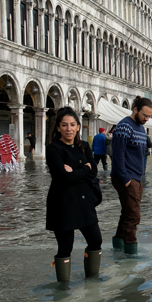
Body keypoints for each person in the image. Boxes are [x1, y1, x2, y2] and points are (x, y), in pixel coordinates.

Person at [45, 107, 102, 282]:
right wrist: (85, 168)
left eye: (72, 125)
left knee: (95, 240)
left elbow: (93, 172)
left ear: (78, 126)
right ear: (58, 128)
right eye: (64, 125)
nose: (68, 128)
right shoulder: (53, 149)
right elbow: (62, 177)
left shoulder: (84, 146)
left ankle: (92, 281)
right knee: (65, 247)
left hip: (85, 202)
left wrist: (76, 171)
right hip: (63, 204)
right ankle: (63, 289)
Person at [111, 96, 152, 255]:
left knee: (128, 213)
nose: (147, 119)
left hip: (136, 177)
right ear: (135, 109)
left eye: (149, 116)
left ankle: (118, 246)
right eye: (145, 115)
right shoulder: (124, 126)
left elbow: (141, 155)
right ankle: (130, 252)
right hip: (127, 178)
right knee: (134, 216)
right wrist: (126, 179)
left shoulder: (141, 127)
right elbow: (118, 155)